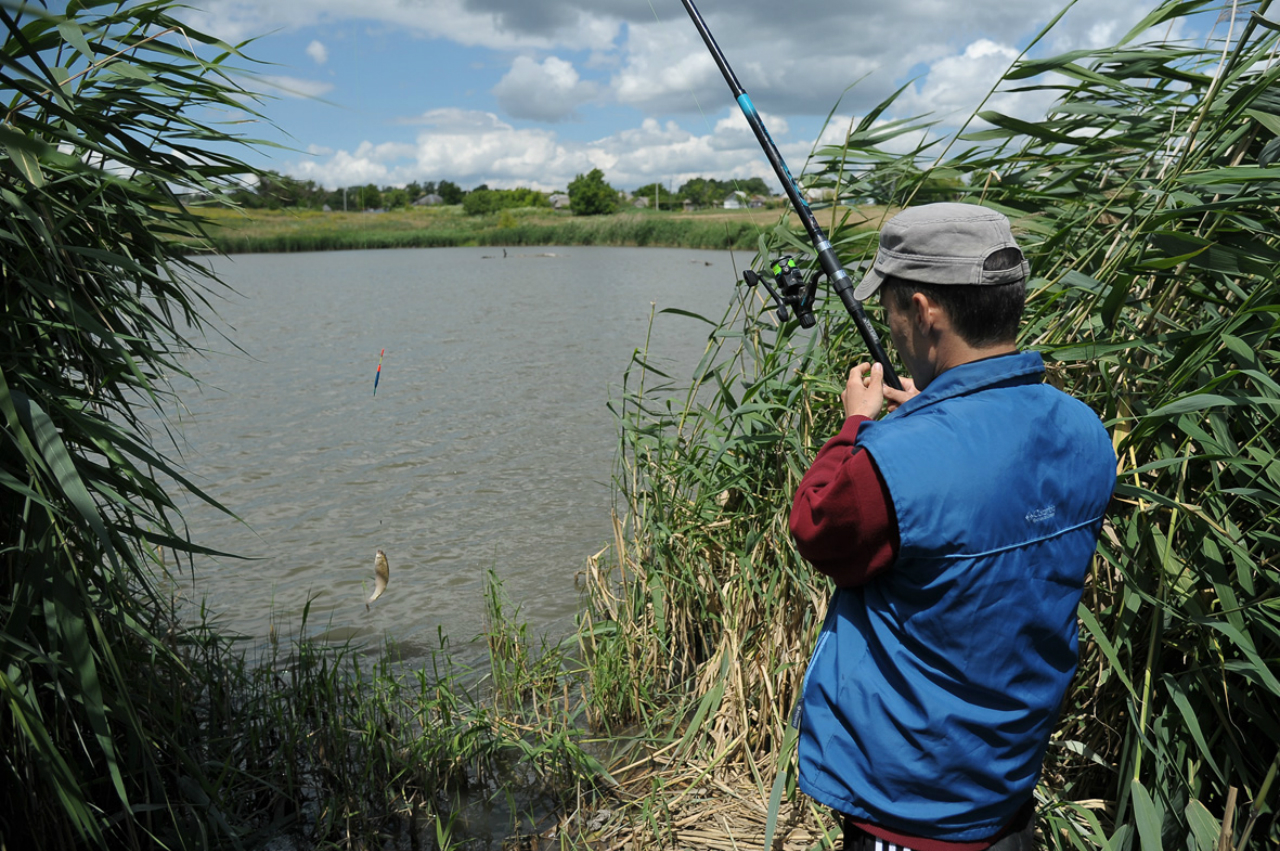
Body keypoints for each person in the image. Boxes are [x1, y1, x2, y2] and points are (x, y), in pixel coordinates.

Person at [789, 203, 1116, 851]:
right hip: (1005, 796)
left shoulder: (890, 461)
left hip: (909, 811)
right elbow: (984, 486)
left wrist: (857, 424)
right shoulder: (1085, 431)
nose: (894, 330)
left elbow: (817, 525)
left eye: (890, 312)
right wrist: (936, 412)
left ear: (923, 309)